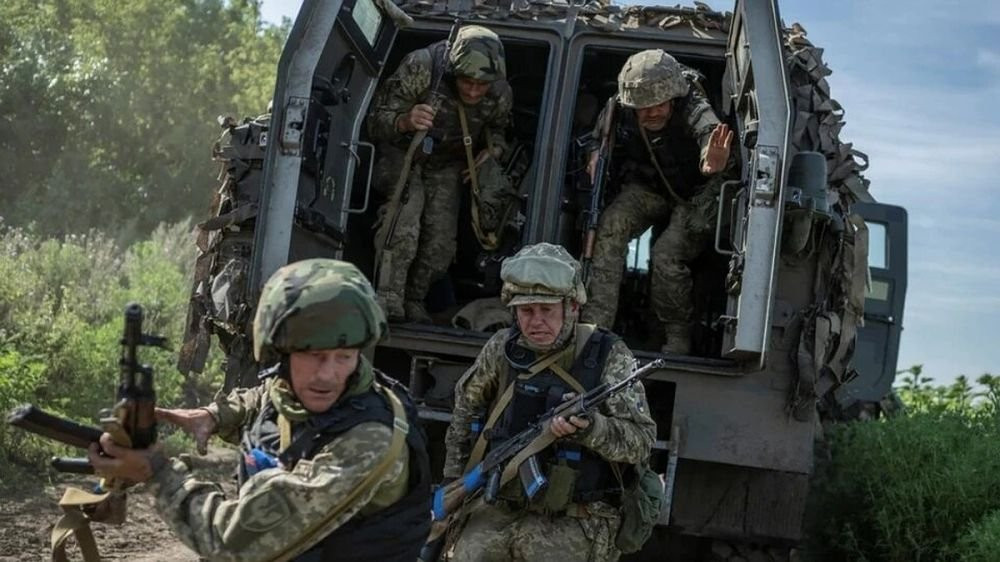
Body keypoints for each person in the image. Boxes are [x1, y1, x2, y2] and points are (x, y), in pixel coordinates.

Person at [88, 259, 432, 562]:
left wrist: (156, 472)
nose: (328, 374)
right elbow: (269, 395)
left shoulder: (368, 441)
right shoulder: (299, 389)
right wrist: (216, 415)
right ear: (281, 353)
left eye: (344, 356)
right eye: (314, 356)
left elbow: (230, 545)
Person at [442, 243, 656, 561]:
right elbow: (466, 407)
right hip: (499, 504)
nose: (536, 321)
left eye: (547, 310)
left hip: (575, 514)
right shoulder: (501, 349)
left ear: (572, 306)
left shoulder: (608, 355)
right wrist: (453, 481)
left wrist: (591, 429)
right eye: (526, 311)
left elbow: (641, 442)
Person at [581, 49, 734, 354]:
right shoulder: (619, 106)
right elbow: (598, 137)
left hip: (696, 195)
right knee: (610, 226)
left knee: (666, 255)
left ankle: (676, 336)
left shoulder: (692, 102)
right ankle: (595, 328)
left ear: (672, 98)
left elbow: (709, 131)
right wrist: (595, 155)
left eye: (659, 105)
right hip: (649, 187)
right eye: (644, 108)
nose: (652, 113)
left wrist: (711, 160)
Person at [367, 24, 513, 323]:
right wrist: (405, 121)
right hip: (402, 153)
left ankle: (414, 299)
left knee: (441, 244)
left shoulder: (500, 92)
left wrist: (493, 150)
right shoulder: (422, 66)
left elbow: (500, 129)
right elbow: (373, 122)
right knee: (405, 218)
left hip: (447, 163)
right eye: (467, 81)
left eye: (481, 85)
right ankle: (387, 298)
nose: (473, 91)